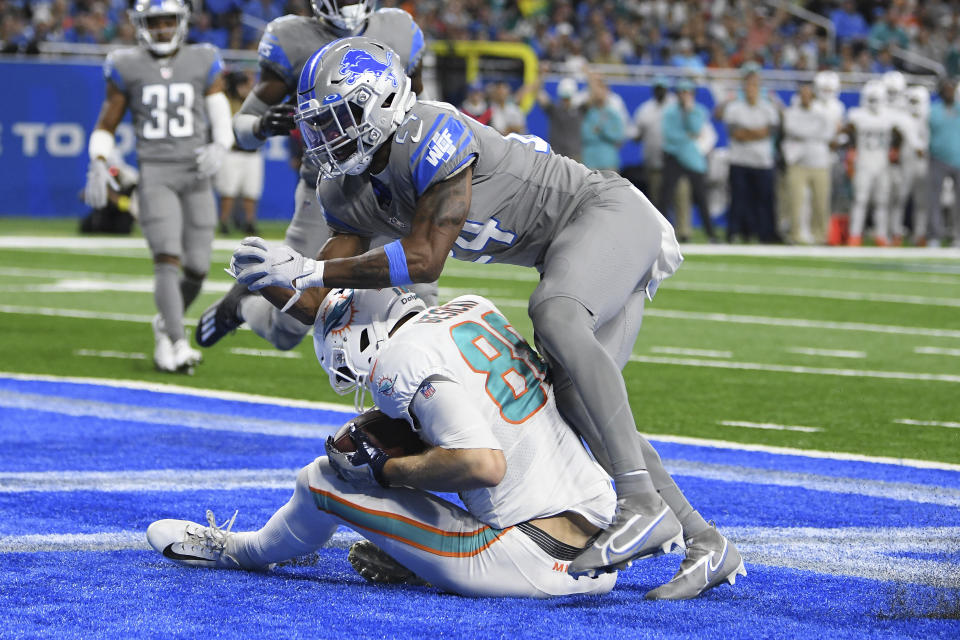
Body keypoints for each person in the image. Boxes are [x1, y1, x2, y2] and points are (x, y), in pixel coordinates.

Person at [227, 37, 743, 591]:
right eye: (320, 125)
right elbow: (319, 301)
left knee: (554, 315)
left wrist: (308, 268)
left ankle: (639, 499)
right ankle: (706, 542)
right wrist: (271, 279)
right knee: (573, 399)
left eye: (340, 118)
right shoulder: (348, 190)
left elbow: (423, 260)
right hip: (563, 253)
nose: (329, 137)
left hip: (605, 212)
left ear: (380, 102)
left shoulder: (430, 131)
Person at [195, 0, 437, 353]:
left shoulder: (400, 29)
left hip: (391, 185)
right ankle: (242, 305)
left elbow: (422, 105)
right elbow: (242, 128)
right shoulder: (291, 38)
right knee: (290, 326)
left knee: (417, 300)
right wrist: (262, 125)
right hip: (329, 190)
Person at [83, 0, 233, 373]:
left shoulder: (203, 58)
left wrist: (221, 143)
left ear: (182, 22)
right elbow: (106, 124)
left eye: (168, 21)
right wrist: (99, 160)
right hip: (156, 173)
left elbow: (220, 115)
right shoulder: (126, 64)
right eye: (155, 21)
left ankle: (164, 325)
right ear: (140, 24)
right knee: (167, 257)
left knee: (198, 267)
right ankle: (178, 342)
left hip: (196, 172)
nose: (162, 28)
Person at [717, 65, 781, 243]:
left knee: (764, 200)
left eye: (755, 86)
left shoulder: (768, 106)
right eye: (749, 86)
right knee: (738, 200)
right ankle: (734, 233)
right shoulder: (734, 107)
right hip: (740, 160)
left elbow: (771, 130)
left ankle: (765, 234)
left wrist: (748, 133)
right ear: (744, 88)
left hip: (762, 161)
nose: (751, 90)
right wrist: (757, 132)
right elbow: (735, 133)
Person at [660, 78, 717, 243]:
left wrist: (689, 111)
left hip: (691, 157)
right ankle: (660, 233)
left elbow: (696, 129)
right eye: (682, 92)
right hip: (674, 156)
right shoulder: (670, 112)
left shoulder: (698, 111)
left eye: (687, 92)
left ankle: (711, 233)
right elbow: (669, 134)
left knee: (701, 195)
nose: (684, 96)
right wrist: (687, 137)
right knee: (665, 196)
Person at [843, 79, 899, 246]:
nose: (874, 103)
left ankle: (880, 234)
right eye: (872, 99)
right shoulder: (857, 115)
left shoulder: (889, 116)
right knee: (860, 200)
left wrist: (895, 149)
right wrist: (851, 150)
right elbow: (849, 132)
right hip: (864, 162)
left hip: (882, 163)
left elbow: (899, 134)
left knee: (882, 201)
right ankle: (855, 234)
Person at [782, 80, 833, 245]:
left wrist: (806, 133)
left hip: (820, 162)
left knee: (821, 202)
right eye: (802, 93)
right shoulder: (792, 112)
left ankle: (820, 236)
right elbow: (792, 129)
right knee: (795, 201)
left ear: (813, 94)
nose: (805, 96)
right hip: (798, 161)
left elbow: (828, 133)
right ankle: (795, 235)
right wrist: (814, 131)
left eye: (808, 93)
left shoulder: (822, 112)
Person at [216, 69, 263, 236]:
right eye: (244, 84)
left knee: (251, 190)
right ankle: (224, 221)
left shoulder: (255, 102)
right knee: (228, 190)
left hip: (252, 152)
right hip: (233, 151)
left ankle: (250, 222)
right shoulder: (226, 101)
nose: (247, 87)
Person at [892, 86, 929, 246]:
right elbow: (898, 138)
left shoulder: (929, 117)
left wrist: (921, 147)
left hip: (924, 162)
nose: (913, 104)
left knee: (922, 201)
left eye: (916, 101)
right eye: (911, 100)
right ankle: (895, 232)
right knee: (900, 198)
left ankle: (919, 233)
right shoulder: (902, 117)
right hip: (905, 162)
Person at [926, 77, 960, 248]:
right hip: (937, 158)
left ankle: (957, 236)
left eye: (951, 89)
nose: (949, 92)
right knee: (934, 199)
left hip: (959, 159)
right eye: (946, 89)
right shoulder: (933, 110)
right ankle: (935, 235)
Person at [580, 74, 625, 171]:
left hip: (609, 161)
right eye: (597, 90)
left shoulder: (613, 113)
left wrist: (602, 130)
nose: (599, 93)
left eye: (602, 89)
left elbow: (618, 135)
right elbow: (585, 135)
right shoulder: (587, 112)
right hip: (590, 161)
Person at [536, 77, 583, 162]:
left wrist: (590, 75)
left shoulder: (580, 110)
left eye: (567, 98)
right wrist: (541, 76)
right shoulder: (554, 110)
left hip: (574, 155)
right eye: (564, 98)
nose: (565, 101)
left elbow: (594, 96)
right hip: (557, 155)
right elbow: (539, 94)